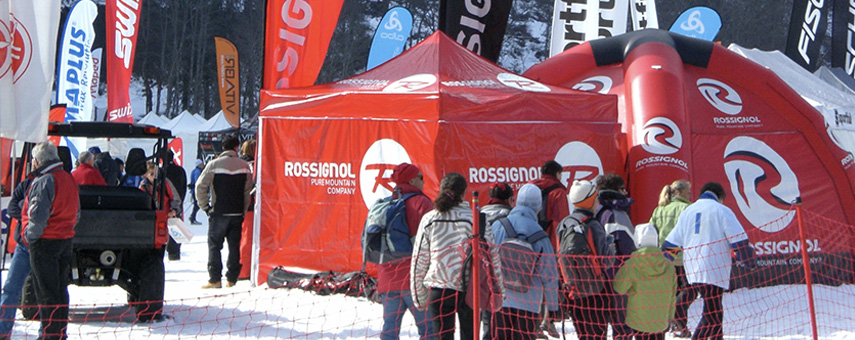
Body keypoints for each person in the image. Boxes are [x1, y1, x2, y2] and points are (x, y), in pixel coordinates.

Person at [411, 172, 502, 340]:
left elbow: (420, 259)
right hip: (469, 288)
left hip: (438, 287)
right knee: (469, 336)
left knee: (442, 337)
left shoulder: (430, 219)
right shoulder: (476, 219)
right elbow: (492, 257)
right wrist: (498, 292)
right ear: (463, 193)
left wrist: (419, 296)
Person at [663, 182, 756, 340]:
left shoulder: (688, 211)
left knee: (714, 312)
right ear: (720, 197)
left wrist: (664, 262)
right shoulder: (722, 210)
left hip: (692, 269)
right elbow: (739, 241)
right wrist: (749, 261)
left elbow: (671, 243)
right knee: (713, 315)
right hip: (714, 269)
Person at [21, 142, 79, 340]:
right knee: (60, 289)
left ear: (37, 161)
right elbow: (77, 212)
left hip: (45, 241)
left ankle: (49, 334)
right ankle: (59, 332)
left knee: (46, 291)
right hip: (65, 239)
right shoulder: (69, 178)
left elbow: (37, 216)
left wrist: (29, 237)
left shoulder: (44, 180)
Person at [489, 183, 559, 340]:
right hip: (529, 305)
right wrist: (553, 307)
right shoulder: (540, 235)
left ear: (516, 201)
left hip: (501, 300)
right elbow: (549, 276)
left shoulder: (498, 226)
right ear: (538, 207)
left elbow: (488, 261)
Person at [377, 163, 434, 340]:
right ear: (412, 180)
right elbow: (432, 239)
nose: (424, 183)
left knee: (389, 331)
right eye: (421, 178)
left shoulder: (385, 204)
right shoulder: (422, 203)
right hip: (414, 281)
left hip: (387, 278)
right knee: (429, 330)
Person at [195, 134, 252, 289]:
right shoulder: (244, 166)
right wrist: (243, 210)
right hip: (236, 213)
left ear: (223, 148)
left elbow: (200, 186)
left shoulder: (214, 164)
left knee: (214, 246)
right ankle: (232, 279)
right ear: (236, 147)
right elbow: (247, 192)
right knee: (234, 247)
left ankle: (214, 279)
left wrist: (205, 207)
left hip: (218, 212)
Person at [561, 179, 610, 340]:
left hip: (573, 290)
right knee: (597, 335)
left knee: (583, 335)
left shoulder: (564, 224)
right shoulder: (593, 225)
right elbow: (605, 261)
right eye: (595, 199)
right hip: (595, 291)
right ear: (590, 201)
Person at [613, 224, 677, 340]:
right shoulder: (668, 265)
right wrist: (670, 316)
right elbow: (673, 294)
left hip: (638, 321)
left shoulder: (632, 265)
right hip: (661, 320)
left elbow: (619, 288)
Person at [649, 180, 693, 337]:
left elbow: (651, 231)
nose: (690, 195)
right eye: (688, 192)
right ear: (678, 192)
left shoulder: (658, 209)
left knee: (672, 292)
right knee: (689, 289)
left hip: (664, 257)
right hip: (682, 257)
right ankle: (679, 319)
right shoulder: (687, 208)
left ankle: (678, 327)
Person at [530, 160, 569, 337]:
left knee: (532, 283)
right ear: (557, 174)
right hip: (550, 244)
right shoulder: (558, 193)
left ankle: (534, 323)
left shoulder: (531, 188)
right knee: (550, 284)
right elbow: (561, 222)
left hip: (530, 242)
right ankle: (548, 321)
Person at [594, 173, 635, 340]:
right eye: (622, 189)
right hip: (617, 274)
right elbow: (626, 247)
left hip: (598, 274)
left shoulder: (597, 210)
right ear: (616, 191)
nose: (625, 193)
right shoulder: (616, 213)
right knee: (622, 325)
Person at [0, 171, 36, 339]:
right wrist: (27, 213)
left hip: (45, 245)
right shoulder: (27, 181)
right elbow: (12, 206)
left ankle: (51, 332)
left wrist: (26, 210)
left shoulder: (56, 181)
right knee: (10, 288)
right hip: (23, 244)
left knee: (50, 291)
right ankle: (3, 331)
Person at [478, 182, 514, 339]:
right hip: (508, 279)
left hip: (482, 276)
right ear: (510, 199)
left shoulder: (478, 216)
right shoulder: (511, 217)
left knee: (488, 321)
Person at [238, 140, 257, 280]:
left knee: (240, 239)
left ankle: (241, 269)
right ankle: (244, 271)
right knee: (247, 239)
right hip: (250, 207)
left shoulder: (237, 164)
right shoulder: (251, 166)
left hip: (237, 206)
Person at [164, 152, 187, 261]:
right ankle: (175, 253)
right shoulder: (180, 170)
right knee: (177, 226)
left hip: (165, 202)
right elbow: (184, 187)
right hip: (178, 201)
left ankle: (166, 250)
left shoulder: (162, 171)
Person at [188, 159, 204, 225]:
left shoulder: (194, 171)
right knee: (197, 205)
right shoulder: (198, 171)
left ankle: (192, 217)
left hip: (194, 190)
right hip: (196, 190)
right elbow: (198, 181)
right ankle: (192, 218)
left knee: (197, 204)